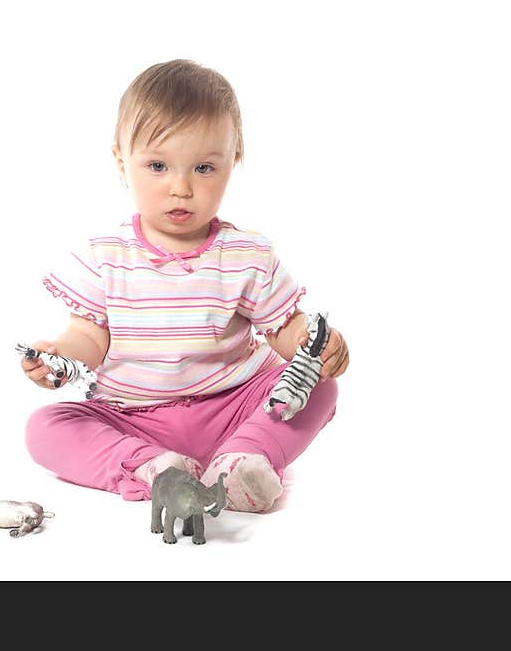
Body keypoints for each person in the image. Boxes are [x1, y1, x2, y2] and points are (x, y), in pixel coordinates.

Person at [21, 59, 348, 512]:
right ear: (121, 160)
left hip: (232, 405)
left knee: (320, 389)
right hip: (133, 417)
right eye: (157, 165)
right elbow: (89, 337)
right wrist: (60, 355)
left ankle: (244, 460)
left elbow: (284, 330)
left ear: (233, 162)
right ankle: (154, 468)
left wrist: (314, 347)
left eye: (204, 168)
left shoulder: (245, 255)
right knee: (45, 427)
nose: (180, 187)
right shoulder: (105, 256)